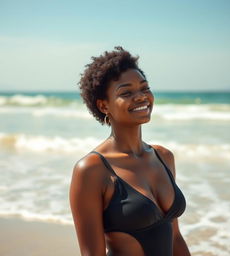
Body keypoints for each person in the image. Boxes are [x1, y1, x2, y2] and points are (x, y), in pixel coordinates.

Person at [69, 46, 190, 256]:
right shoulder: (92, 170)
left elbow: (175, 238)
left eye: (145, 88)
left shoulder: (164, 157)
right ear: (104, 106)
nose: (141, 97)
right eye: (126, 92)